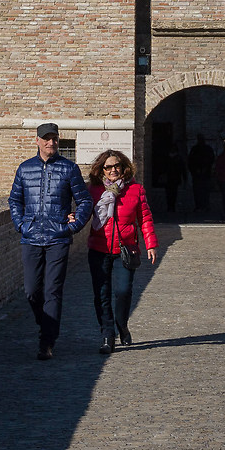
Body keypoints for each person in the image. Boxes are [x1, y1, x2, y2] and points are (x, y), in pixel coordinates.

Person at [8, 122, 93, 360]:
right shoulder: (25, 169)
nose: (51, 143)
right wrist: (21, 224)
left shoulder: (69, 169)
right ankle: (45, 325)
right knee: (32, 291)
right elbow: (15, 200)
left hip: (58, 238)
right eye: (46, 139)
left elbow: (85, 201)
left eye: (54, 139)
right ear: (37, 141)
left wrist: (73, 226)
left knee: (53, 290)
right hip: (31, 236)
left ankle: (46, 341)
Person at [83, 149, 158, 350]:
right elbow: (83, 213)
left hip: (127, 248)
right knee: (101, 293)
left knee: (123, 291)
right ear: (102, 170)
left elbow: (145, 218)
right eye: (108, 167)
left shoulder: (135, 189)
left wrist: (150, 244)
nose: (113, 170)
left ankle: (122, 325)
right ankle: (107, 335)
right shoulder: (94, 191)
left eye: (117, 166)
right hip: (99, 248)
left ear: (123, 167)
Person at [151, 142, 184, 219]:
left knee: (174, 193)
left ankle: (172, 206)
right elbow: (162, 168)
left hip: (174, 178)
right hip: (169, 178)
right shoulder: (167, 158)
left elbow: (182, 169)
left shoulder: (177, 158)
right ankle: (170, 206)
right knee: (169, 193)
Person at [185, 138, 215, 219]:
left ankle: (205, 206)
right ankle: (199, 206)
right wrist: (194, 171)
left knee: (205, 191)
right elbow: (190, 161)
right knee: (197, 191)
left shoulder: (207, 149)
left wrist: (206, 169)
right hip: (197, 175)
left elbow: (211, 160)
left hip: (205, 174)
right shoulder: (195, 149)